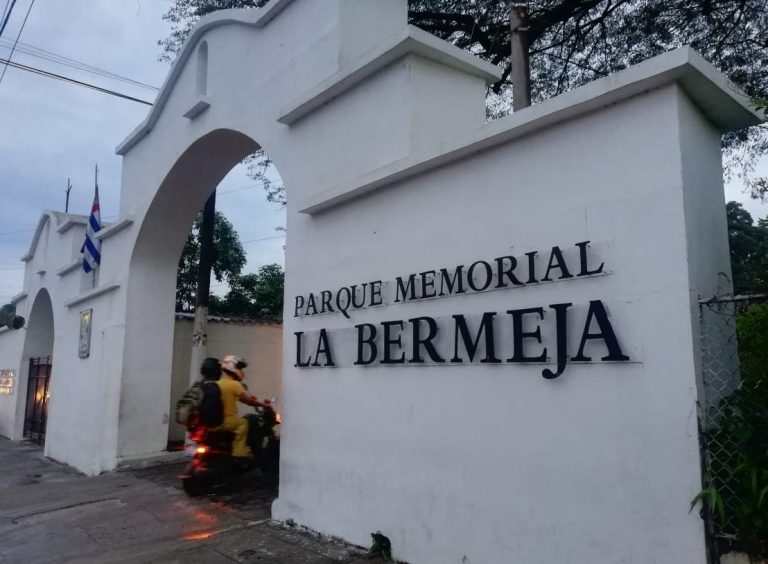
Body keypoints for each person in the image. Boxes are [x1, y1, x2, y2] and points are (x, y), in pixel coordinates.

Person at [208, 354, 261, 459]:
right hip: (226, 421)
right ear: (234, 367)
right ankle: (239, 454)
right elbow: (248, 401)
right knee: (244, 423)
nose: (241, 371)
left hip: (213, 422)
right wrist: (261, 404)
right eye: (240, 368)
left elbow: (241, 398)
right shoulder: (235, 384)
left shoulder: (218, 383)